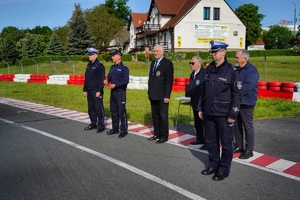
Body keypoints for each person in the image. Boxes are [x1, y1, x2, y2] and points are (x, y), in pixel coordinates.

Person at [197, 40, 242, 181]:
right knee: (211, 142)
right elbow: (203, 91)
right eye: (212, 52)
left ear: (224, 52)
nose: (213, 54)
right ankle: (213, 165)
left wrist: (233, 113)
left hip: (224, 115)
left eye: (216, 52)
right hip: (209, 112)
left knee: (227, 144)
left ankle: (224, 169)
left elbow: (237, 94)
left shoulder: (231, 71)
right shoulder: (209, 69)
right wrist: (200, 107)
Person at [234, 49, 259, 159]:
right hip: (236, 101)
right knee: (236, 124)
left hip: (246, 102)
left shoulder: (252, 70)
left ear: (244, 59)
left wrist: (235, 93)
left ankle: (249, 150)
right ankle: (239, 146)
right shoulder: (235, 69)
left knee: (247, 126)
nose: (235, 59)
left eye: (237, 57)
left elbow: (248, 87)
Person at [147, 44, 174, 144]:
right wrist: (149, 92)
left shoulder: (167, 63)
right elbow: (151, 79)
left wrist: (167, 95)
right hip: (153, 94)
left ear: (162, 52)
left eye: (157, 51)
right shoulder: (153, 62)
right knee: (155, 115)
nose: (155, 53)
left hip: (162, 95)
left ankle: (164, 136)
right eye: (154, 51)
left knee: (163, 116)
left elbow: (169, 81)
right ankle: (156, 134)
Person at [104, 50, 129, 138]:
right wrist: (106, 80)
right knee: (113, 111)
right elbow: (109, 77)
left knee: (121, 112)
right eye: (112, 55)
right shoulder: (112, 67)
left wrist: (116, 85)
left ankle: (124, 130)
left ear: (119, 56)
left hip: (120, 92)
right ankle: (115, 128)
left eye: (114, 55)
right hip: (113, 92)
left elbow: (126, 81)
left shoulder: (124, 68)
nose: (112, 57)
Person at [83, 47, 106, 133]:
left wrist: (99, 90)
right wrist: (85, 89)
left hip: (96, 90)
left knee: (98, 108)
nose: (90, 56)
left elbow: (101, 80)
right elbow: (86, 78)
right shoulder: (88, 65)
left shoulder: (99, 66)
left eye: (91, 55)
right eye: (89, 55)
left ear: (96, 55)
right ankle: (93, 123)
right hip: (89, 90)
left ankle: (101, 125)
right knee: (91, 108)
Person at [186, 56, 206, 148]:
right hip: (194, 101)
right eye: (190, 63)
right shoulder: (192, 74)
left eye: (193, 63)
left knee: (204, 122)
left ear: (199, 64)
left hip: (202, 101)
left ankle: (207, 141)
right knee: (197, 122)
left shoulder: (204, 73)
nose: (191, 65)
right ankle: (199, 138)